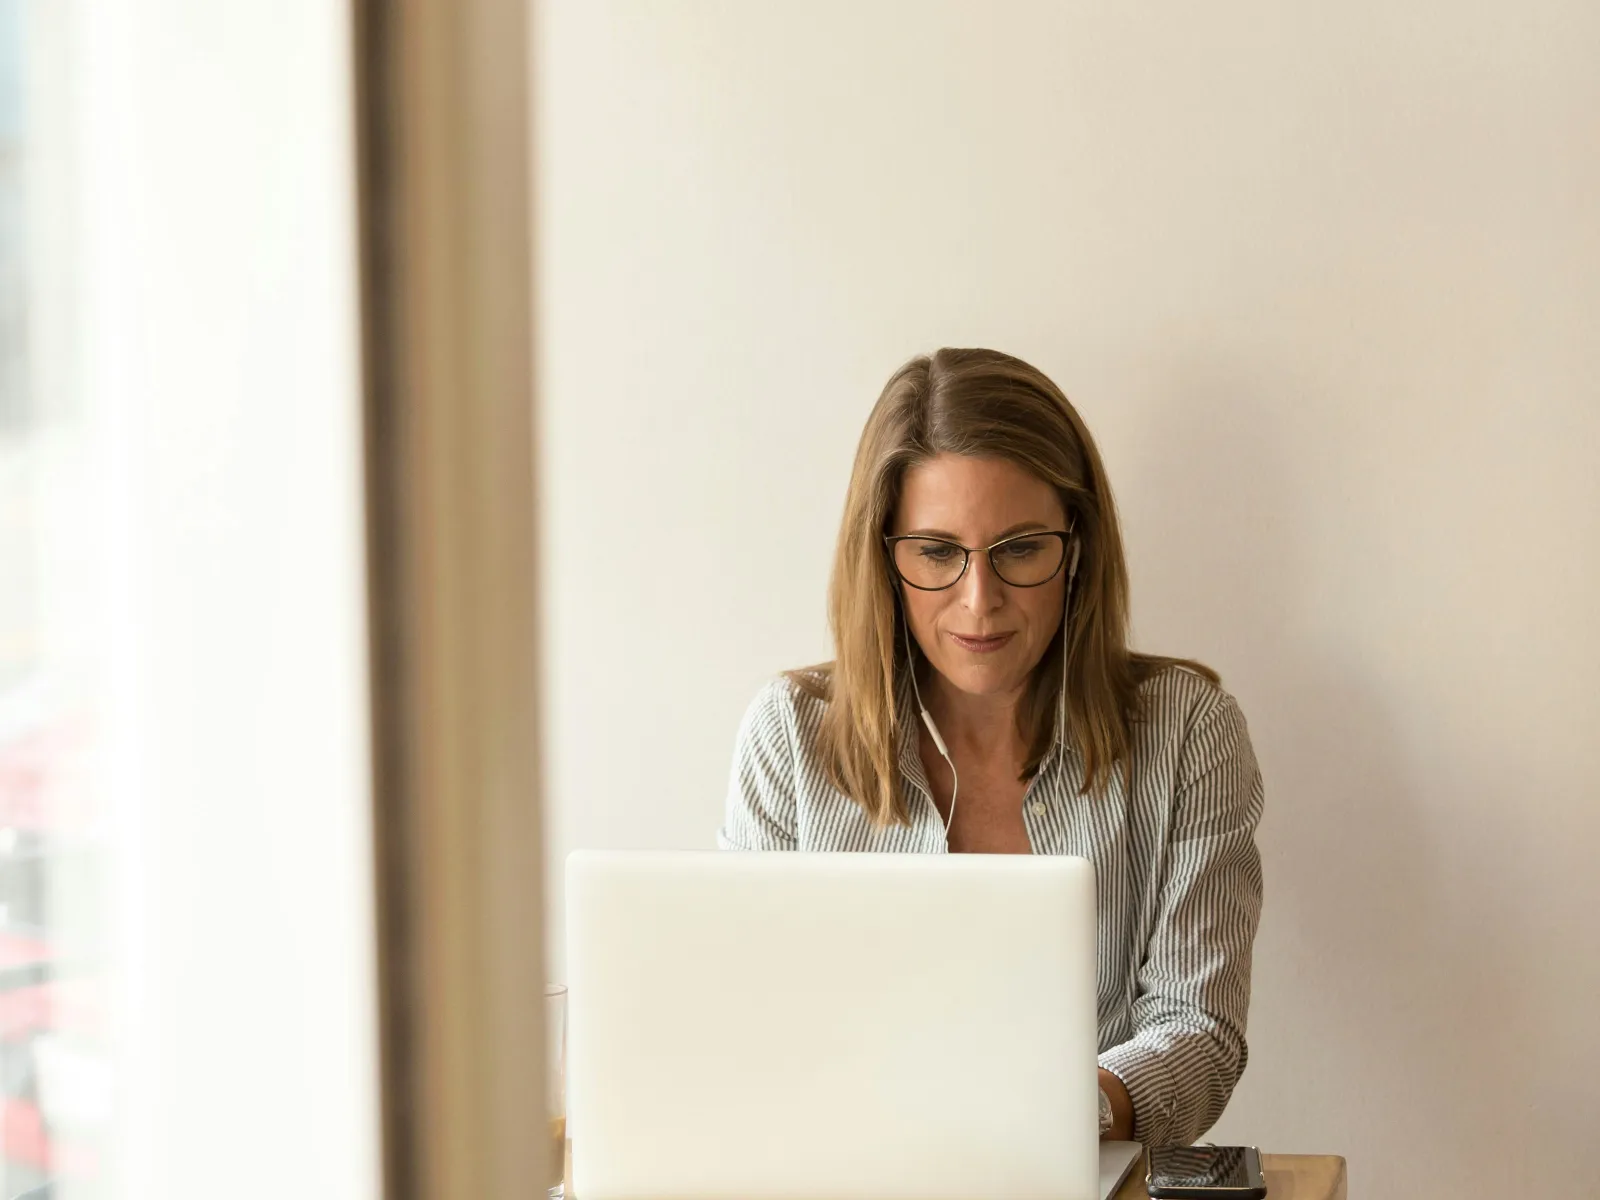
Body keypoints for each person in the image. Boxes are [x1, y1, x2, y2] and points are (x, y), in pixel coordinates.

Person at [718, 347, 1265, 1147]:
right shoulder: (789, 736)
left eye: (1019, 549)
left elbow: (1200, 1032)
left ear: (1076, 547)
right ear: (884, 558)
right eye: (938, 553)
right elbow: (747, 1025)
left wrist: (1053, 1117)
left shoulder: (1187, 731)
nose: (980, 602)